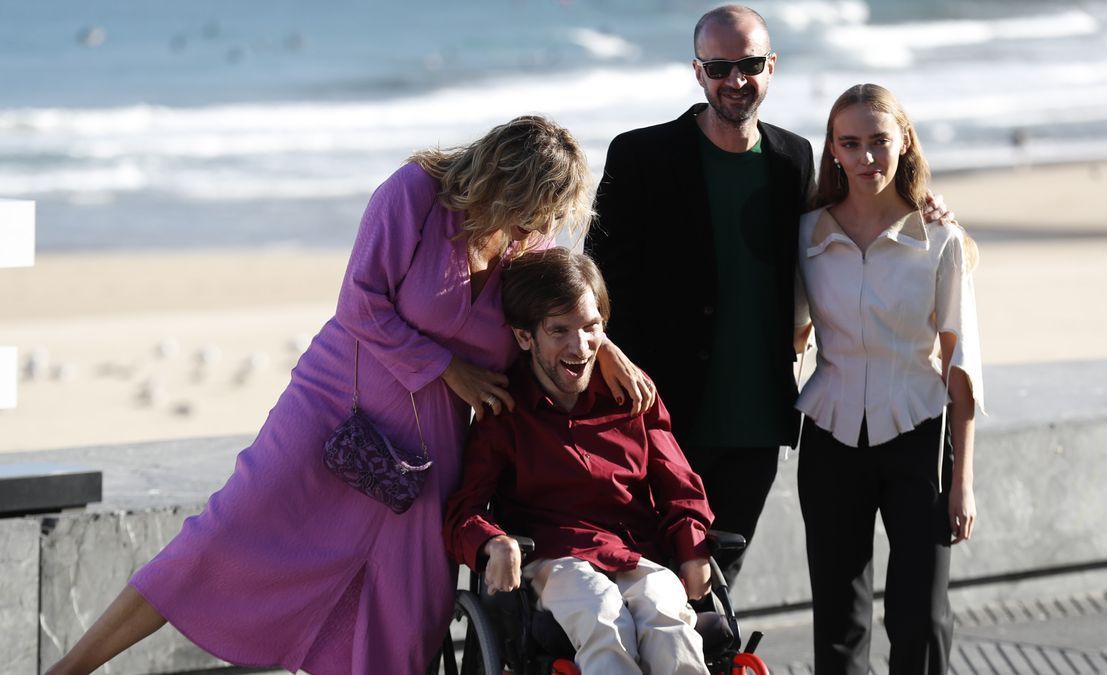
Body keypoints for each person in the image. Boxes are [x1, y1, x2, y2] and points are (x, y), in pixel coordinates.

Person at [47, 116, 653, 675]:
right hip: (334, 405)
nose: (540, 227)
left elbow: (562, 312)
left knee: (411, 609)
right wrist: (448, 368)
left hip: (433, 442)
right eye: (531, 209)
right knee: (216, 543)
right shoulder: (415, 193)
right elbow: (359, 301)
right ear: (501, 179)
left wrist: (609, 350)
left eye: (551, 215)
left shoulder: (530, 245)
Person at [587, 4, 950, 586]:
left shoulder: (791, 157)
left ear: (772, 66)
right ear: (698, 70)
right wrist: (607, 360)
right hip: (662, 418)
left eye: (750, 64)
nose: (735, 80)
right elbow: (595, 284)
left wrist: (921, 206)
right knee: (652, 587)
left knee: (717, 593)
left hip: (757, 423)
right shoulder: (640, 155)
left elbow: (843, 220)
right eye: (720, 66)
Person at [444, 248, 715, 675]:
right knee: (601, 612)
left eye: (592, 328)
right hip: (556, 559)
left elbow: (679, 484)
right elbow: (464, 511)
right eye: (560, 331)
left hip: (635, 552)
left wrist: (693, 548)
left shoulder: (632, 395)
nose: (580, 345)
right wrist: (492, 542)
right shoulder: (504, 411)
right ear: (524, 337)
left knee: (666, 615)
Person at [793, 83, 984, 674]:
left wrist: (962, 480)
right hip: (829, 440)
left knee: (920, 617)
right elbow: (789, 338)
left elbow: (963, 369)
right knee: (839, 622)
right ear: (833, 151)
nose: (866, 157)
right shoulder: (806, 236)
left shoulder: (940, 239)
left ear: (904, 141)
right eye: (851, 144)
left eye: (879, 141)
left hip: (919, 439)